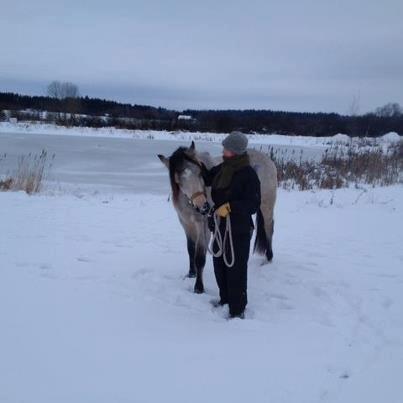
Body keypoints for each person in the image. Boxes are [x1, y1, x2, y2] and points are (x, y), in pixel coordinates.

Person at [201, 131, 261, 319]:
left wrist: (230, 207)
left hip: (238, 230)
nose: (223, 150)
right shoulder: (222, 168)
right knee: (219, 265)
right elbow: (208, 177)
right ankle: (225, 299)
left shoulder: (248, 174)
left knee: (236, 269)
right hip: (219, 227)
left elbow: (253, 203)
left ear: (234, 151)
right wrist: (195, 163)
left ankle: (237, 310)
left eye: (226, 148)